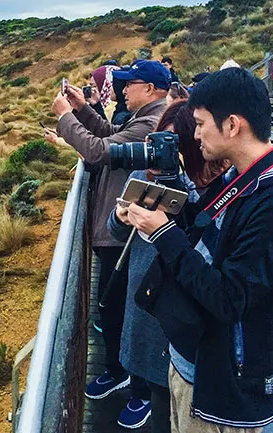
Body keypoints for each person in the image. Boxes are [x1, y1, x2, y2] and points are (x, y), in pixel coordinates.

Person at [120, 68, 273, 431]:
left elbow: (230, 298)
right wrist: (154, 208)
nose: (194, 135)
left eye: (200, 123)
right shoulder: (242, 175)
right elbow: (205, 234)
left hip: (224, 387)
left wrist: (163, 233)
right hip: (194, 360)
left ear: (232, 125)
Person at [105, 101, 230, 430]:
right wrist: (121, 215)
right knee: (156, 393)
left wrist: (184, 192)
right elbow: (114, 230)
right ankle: (139, 394)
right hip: (145, 297)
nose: (163, 153)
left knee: (180, 396)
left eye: (174, 144)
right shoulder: (143, 175)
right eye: (161, 141)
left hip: (187, 305)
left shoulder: (217, 186)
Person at [53, 59, 172, 405]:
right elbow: (110, 137)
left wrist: (65, 117)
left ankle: (140, 385)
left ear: (149, 89)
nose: (121, 89)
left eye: (128, 83)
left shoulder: (152, 121)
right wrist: (85, 111)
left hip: (127, 232)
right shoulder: (144, 117)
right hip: (119, 226)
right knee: (115, 308)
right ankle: (121, 371)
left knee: (123, 310)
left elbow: (98, 150)